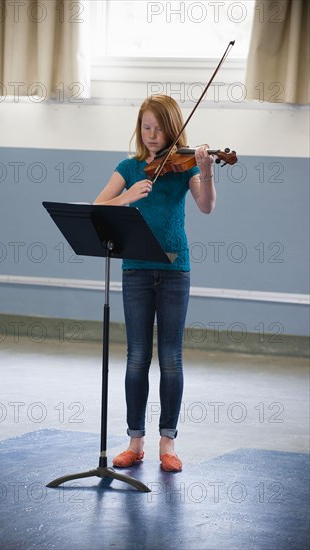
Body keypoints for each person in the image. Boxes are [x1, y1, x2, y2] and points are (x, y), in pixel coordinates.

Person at [94, 95, 215, 472]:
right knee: (136, 358)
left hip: (176, 268)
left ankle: (168, 442)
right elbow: (97, 207)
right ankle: (135, 441)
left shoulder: (183, 167)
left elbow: (207, 206)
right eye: (145, 127)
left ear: (172, 129)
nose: (151, 134)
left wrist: (206, 170)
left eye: (158, 127)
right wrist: (128, 196)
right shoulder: (129, 167)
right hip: (135, 269)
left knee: (172, 359)